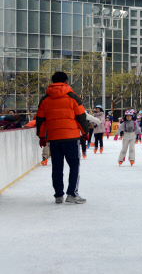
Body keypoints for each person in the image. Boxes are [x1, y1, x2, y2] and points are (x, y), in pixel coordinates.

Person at [36, 71, 88, 204]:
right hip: (71, 138)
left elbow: (40, 120)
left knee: (57, 167)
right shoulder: (73, 96)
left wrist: (42, 136)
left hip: (54, 139)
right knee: (74, 165)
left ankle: (58, 195)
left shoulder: (44, 99)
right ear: (65, 82)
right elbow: (81, 116)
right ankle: (72, 194)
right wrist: (85, 132)